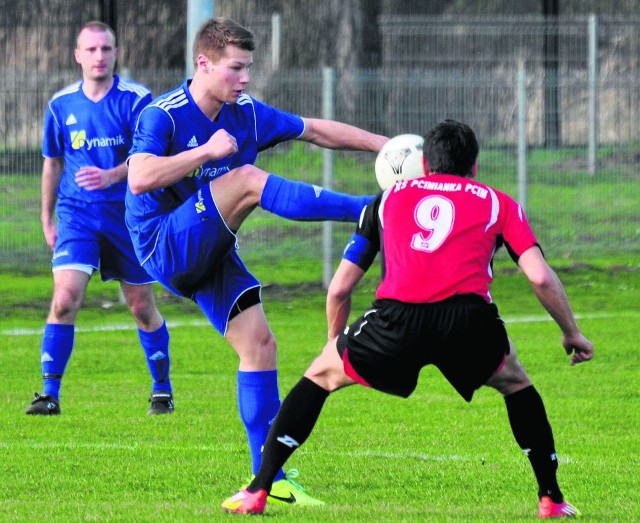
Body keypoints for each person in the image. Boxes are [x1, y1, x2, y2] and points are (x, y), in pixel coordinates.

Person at [221, 119, 594, 518]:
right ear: (475, 167)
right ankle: (551, 498)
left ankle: (259, 490)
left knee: (319, 376)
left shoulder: (386, 199)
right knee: (517, 384)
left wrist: (336, 343)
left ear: (426, 165)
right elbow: (539, 276)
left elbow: (340, 289)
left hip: (395, 319)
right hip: (467, 321)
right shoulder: (498, 202)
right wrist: (571, 333)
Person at [125, 17, 388, 506]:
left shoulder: (244, 112)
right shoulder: (162, 114)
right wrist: (205, 151)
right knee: (246, 178)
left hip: (211, 246)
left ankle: (268, 481)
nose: (244, 79)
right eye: (236, 69)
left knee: (261, 346)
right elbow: (139, 178)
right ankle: (367, 212)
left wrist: (384, 146)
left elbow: (314, 131)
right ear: (203, 63)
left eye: (248, 68)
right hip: (162, 242)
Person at [27, 21, 174, 417]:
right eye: (91, 50)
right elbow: (52, 162)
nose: (99, 56)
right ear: (77, 55)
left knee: (142, 306)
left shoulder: (137, 100)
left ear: (115, 53)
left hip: (129, 217)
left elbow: (152, 158)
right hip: (76, 216)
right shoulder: (61, 105)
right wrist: (47, 217)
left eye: (106, 49)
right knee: (64, 300)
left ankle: (162, 388)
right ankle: (48, 393)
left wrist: (112, 175)